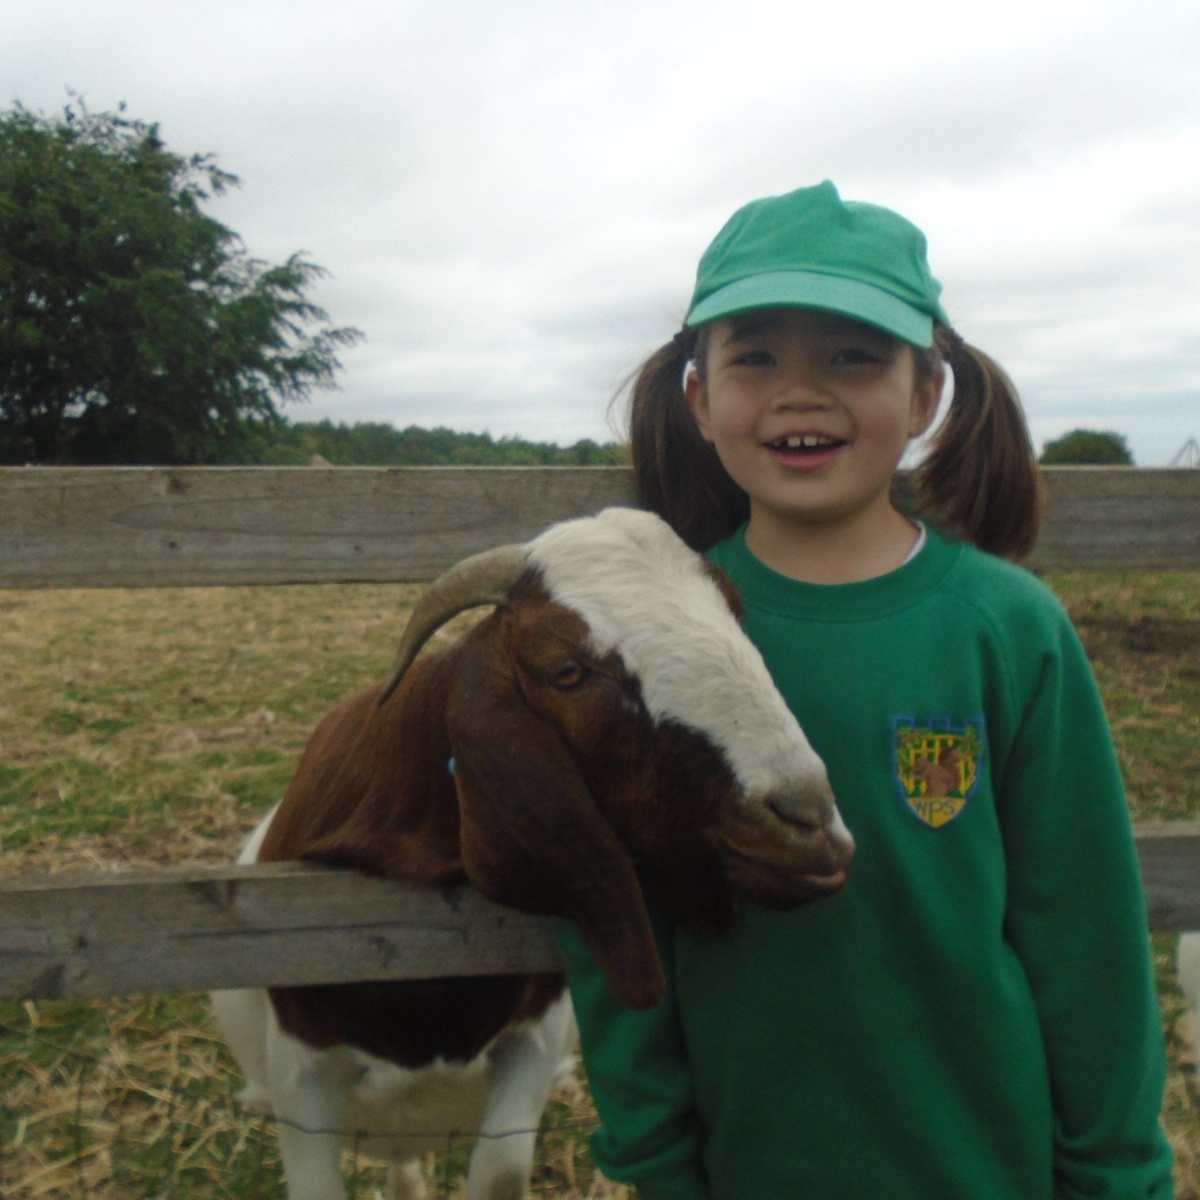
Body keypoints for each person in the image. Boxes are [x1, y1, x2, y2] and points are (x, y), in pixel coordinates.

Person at [555, 181, 1173, 1199]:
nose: (803, 393)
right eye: (755, 357)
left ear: (927, 394)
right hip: (743, 1168)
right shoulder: (649, 638)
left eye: (854, 354)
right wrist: (656, 1160)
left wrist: (1117, 1173)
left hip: (988, 1169)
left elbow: (1087, 937)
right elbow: (617, 928)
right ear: (700, 399)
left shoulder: (1009, 629)